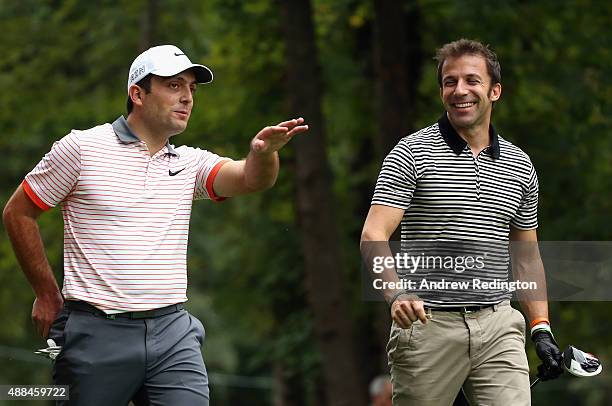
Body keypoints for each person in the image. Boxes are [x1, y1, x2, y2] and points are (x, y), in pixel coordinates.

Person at [2, 44, 308, 405]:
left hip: (173, 334)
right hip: (97, 333)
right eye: (174, 86)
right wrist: (46, 293)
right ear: (138, 94)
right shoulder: (81, 149)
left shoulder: (189, 162)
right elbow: (18, 213)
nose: (188, 99)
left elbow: (250, 179)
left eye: (191, 89)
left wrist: (263, 153)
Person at [360, 39, 562, 405]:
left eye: (472, 80)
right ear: (441, 92)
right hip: (426, 327)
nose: (460, 90)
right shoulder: (411, 153)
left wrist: (541, 329)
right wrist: (395, 294)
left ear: (495, 90)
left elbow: (526, 256)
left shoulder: (521, 165)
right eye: (450, 82)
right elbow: (374, 234)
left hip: (499, 324)